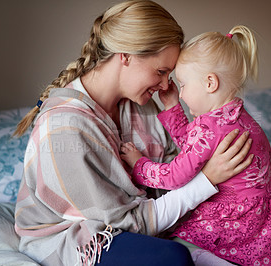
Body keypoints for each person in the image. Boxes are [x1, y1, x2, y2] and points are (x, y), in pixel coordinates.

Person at [13, 1, 253, 266]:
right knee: (173, 260)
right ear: (125, 56)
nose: (165, 85)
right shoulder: (63, 129)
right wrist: (207, 180)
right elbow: (125, 222)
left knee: (255, 227)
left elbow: (177, 165)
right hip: (84, 234)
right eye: (161, 72)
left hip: (142, 215)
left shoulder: (139, 104)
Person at [120, 25, 271, 266]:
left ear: (210, 83)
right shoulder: (237, 116)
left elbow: (175, 177)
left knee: (169, 226)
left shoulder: (209, 126)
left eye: (184, 84)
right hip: (263, 222)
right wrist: (173, 107)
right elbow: (194, 148)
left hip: (237, 225)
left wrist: (139, 165)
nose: (181, 92)